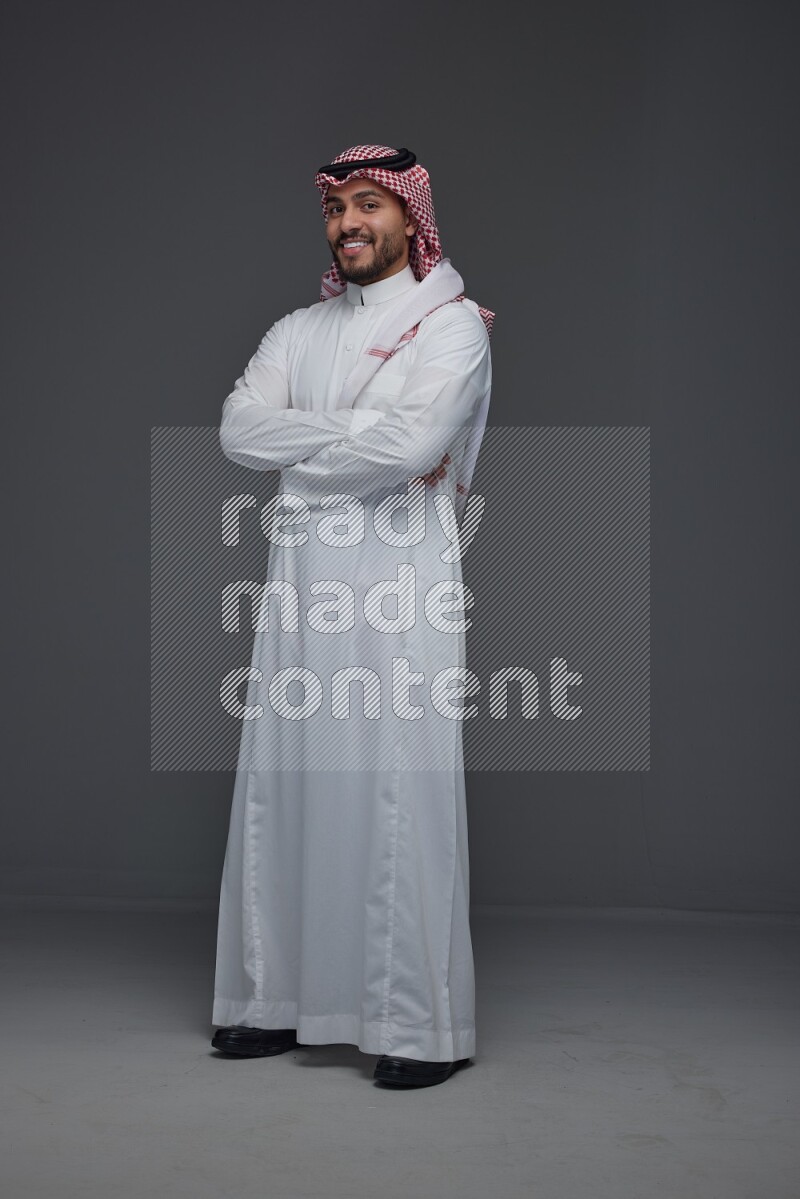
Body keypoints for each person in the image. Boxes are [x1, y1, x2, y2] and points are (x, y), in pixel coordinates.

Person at [211, 144, 494, 1089]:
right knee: (286, 780)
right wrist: (357, 436)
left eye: (369, 203)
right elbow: (239, 429)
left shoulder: (454, 328)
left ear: (412, 216)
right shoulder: (297, 329)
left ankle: (417, 1026)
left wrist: (304, 454)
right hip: (301, 586)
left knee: (396, 789)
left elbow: (415, 446)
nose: (349, 223)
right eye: (336, 208)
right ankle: (271, 1003)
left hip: (400, 584)